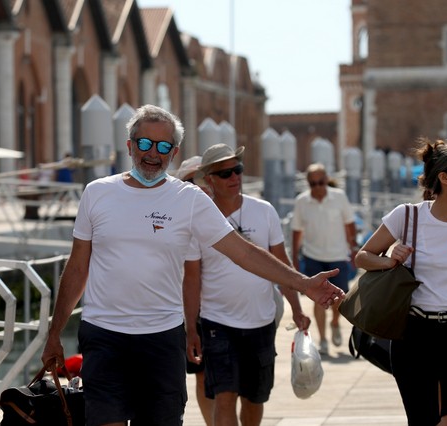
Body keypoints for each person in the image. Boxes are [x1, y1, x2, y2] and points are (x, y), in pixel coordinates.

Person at [40, 104, 345, 426]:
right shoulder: (97, 193)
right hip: (104, 335)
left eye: (163, 146)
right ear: (130, 146)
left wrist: (303, 283)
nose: (153, 153)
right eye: (144, 143)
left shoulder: (190, 199)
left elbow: (242, 252)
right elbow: (77, 267)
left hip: (163, 338)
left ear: (174, 152)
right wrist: (54, 333)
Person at [355, 137, 447, 425]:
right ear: (444, 177)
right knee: (423, 421)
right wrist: (390, 260)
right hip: (414, 333)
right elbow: (362, 256)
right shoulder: (406, 216)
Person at [184, 144, 311, 426]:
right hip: (217, 323)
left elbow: (282, 264)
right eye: (225, 172)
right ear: (209, 180)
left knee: (254, 400)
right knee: (225, 396)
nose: (235, 177)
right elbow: (191, 277)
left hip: (262, 322)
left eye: (237, 170)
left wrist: (297, 309)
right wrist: (191, 327)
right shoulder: (198, 220)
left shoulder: (264, 211)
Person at [291, 163, 358, 355]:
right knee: (318, 300)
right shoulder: (301, 202)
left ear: (326, 180)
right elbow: (296, 230)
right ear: (308, 184)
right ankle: (322, 339)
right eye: (313, 184)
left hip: (337, 256)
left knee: (338, 298)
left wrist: (353, 248)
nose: (317, 187)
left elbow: (350, 223)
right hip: (313, 256)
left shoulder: (339, 197)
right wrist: (295, 257)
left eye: (320, 182)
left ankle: (335, 322)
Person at [174, 155, 214, 425]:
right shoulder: (175, 219)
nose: (198, 186)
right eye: (190, 180)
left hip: (222, 308)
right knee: (200, 374)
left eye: (203, 179)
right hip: (186, 311)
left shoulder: (225, 216)